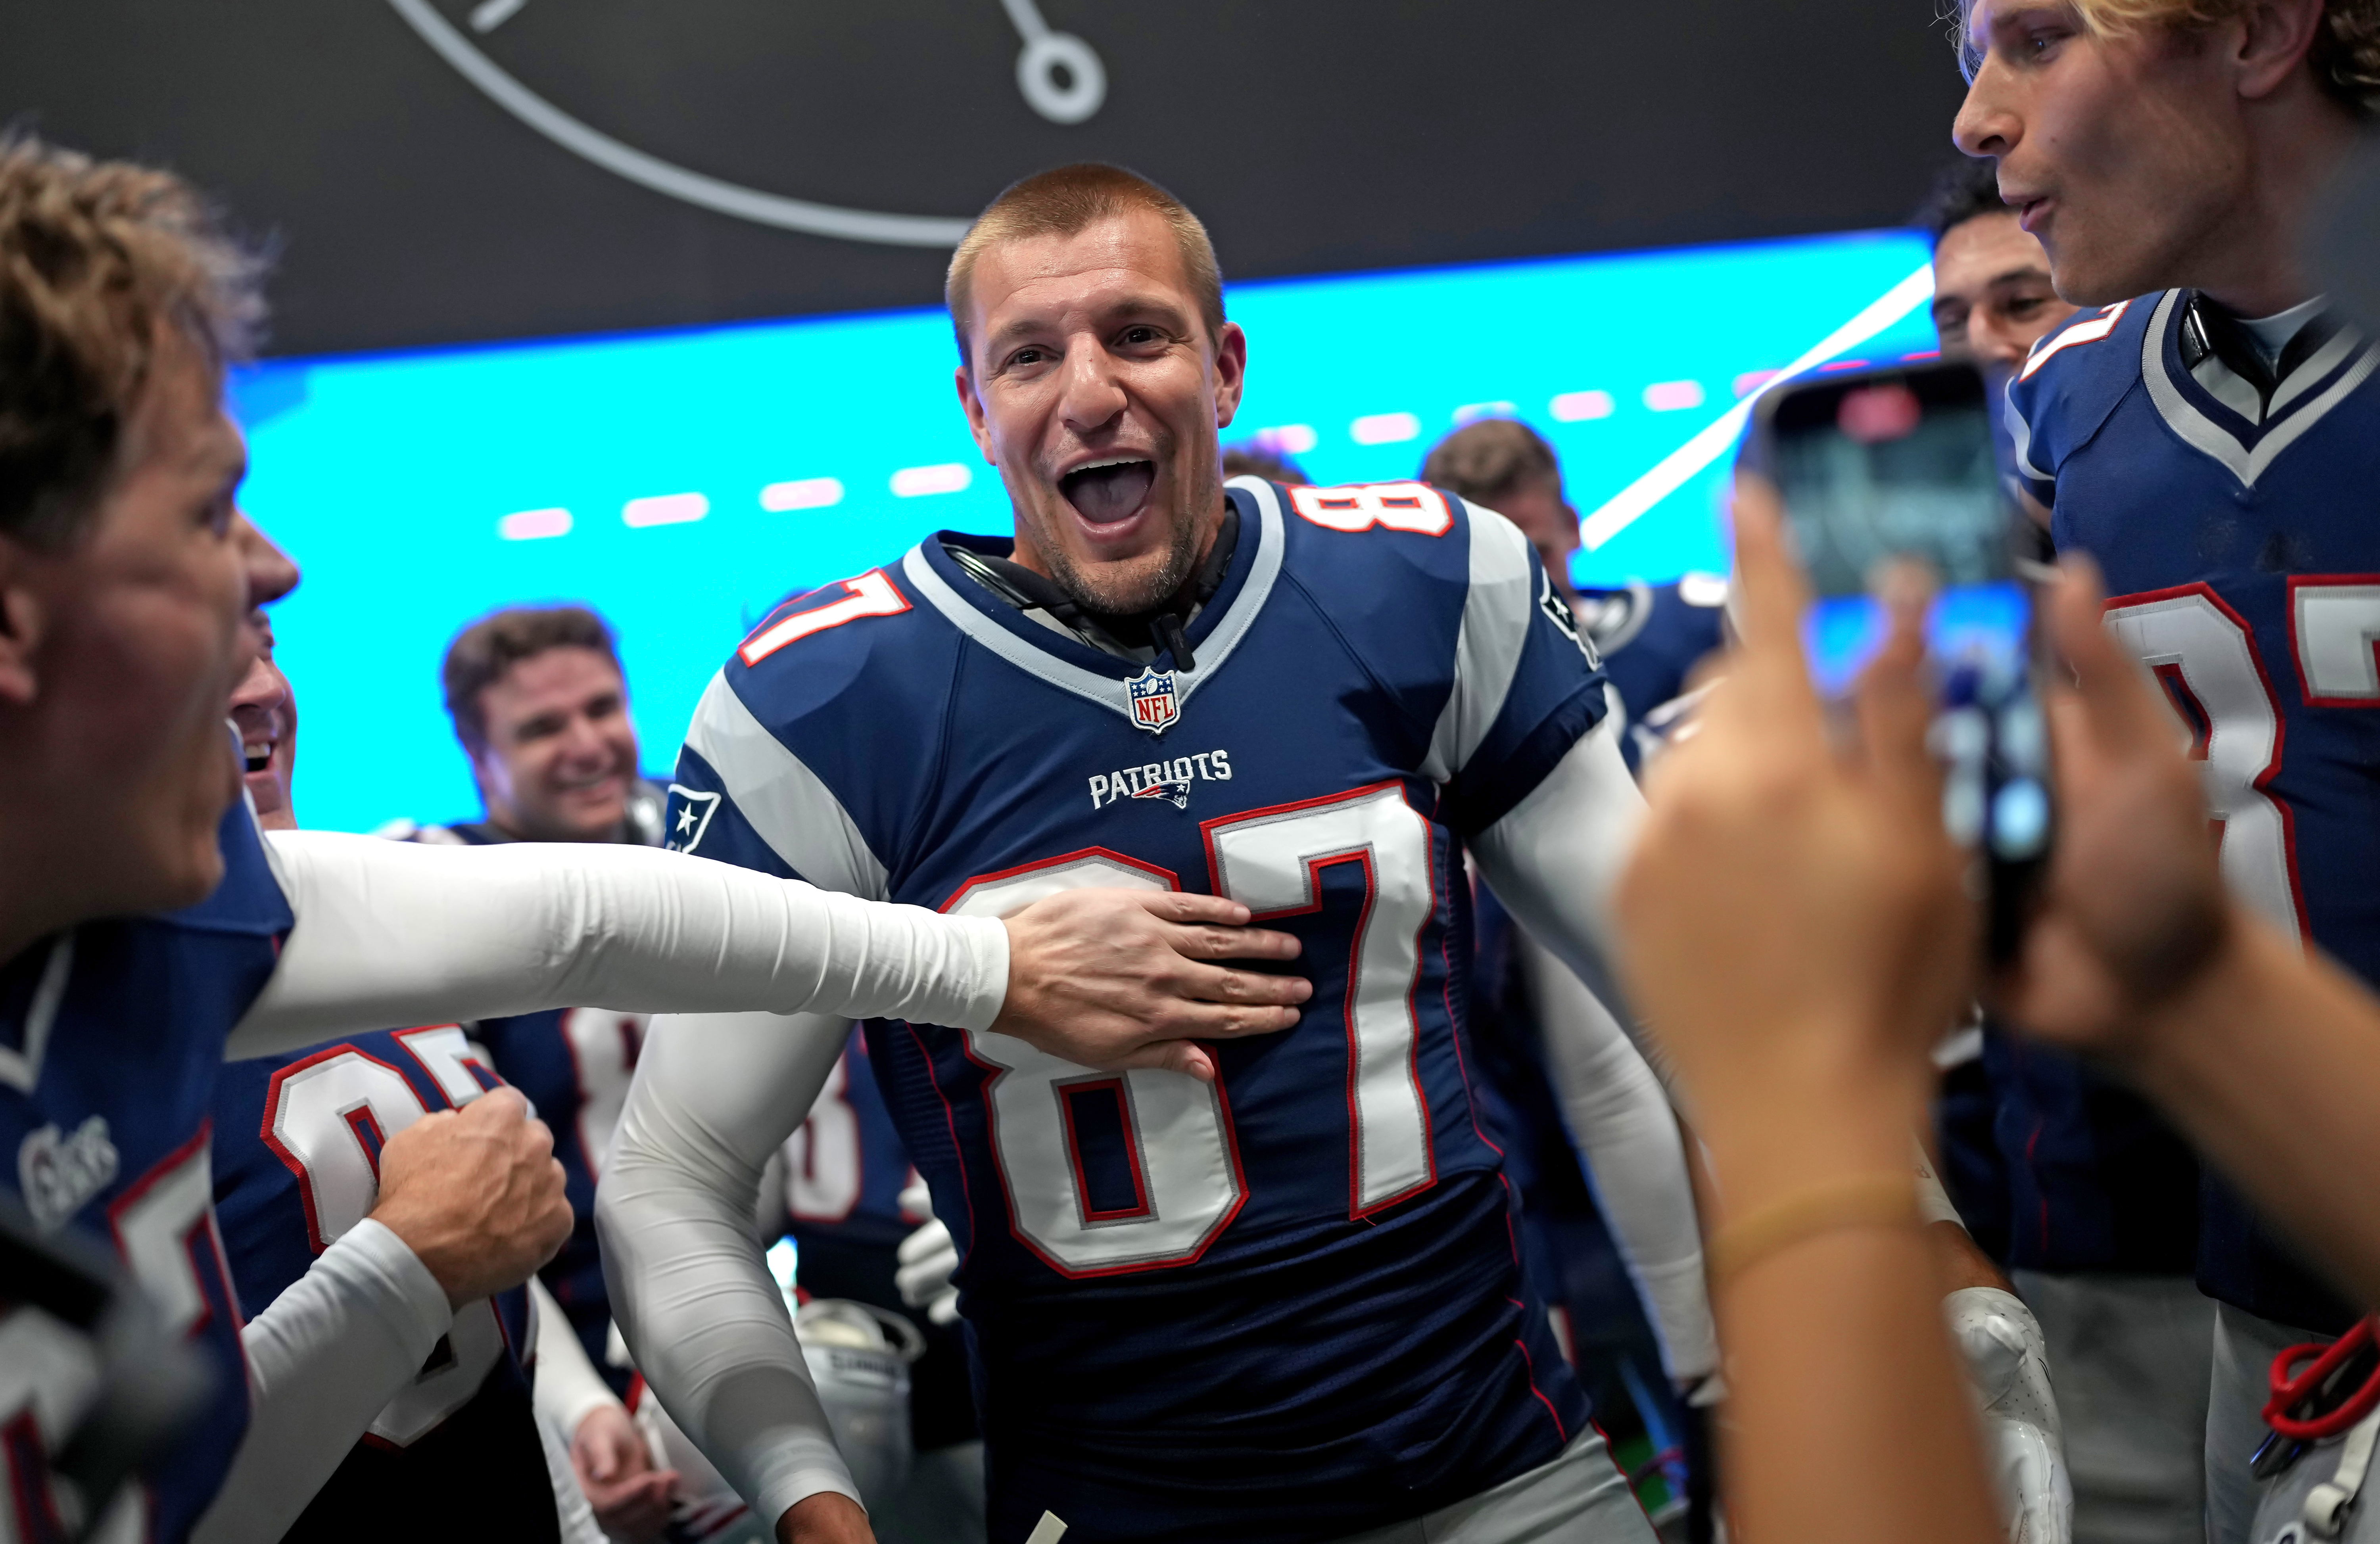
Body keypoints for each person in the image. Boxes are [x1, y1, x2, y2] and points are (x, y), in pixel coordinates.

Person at [0, 137, 1311, 1543]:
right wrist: (407, 1265)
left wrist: (984, 971)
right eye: (206, 514)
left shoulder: (144, 918)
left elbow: (587, 917)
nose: (275, 574)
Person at [603, 162, 1699, 1544]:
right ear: (975, 409)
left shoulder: (1424, 585)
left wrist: (1911, 1254)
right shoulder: (829, 704)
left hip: (1502, 1470)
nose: (1090, 391)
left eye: (1138, 333)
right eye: (1030, 355)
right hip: (1119, 1513)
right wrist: (808, 1499)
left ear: (1226, 370)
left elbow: (1692, 990)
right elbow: (674, 1176)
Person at [1957, 0, 2380, 1534]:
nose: (1978, 119)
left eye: (2040, 38)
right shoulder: (2071, 398)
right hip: (2259, 1292)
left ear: (2260, 30)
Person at [1914, 152, 2214, 1544]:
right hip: (2085, 1171)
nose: (1985, 342)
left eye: (2017, 299)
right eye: (1954, 319)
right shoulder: (1937, 591)